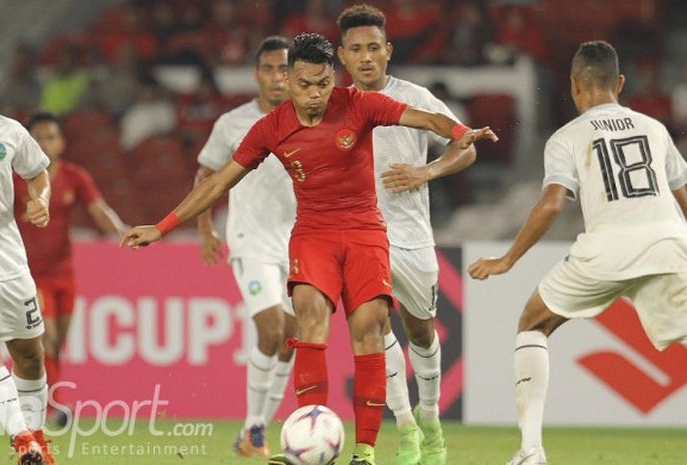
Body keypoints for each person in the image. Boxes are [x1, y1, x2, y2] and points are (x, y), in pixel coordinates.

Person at [122, 33, 496, 465]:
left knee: (369, 331)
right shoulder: (272, 127)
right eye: (305, 85)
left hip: (364, 232)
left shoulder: (359, 104)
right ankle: (309, 443)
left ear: (332, 76)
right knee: (309, 321)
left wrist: (461, 132)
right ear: (290, 80)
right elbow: (220, 180)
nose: (315, 94)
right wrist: (164, 226)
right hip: (314, 235)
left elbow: (426, 119)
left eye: (322, 83)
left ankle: (364, 452)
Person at [468, 40, 687, 465]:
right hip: (669, 242)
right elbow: (684, 195)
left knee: (533, 322)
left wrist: (508, 259)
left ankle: (531, 451)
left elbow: (552, 202)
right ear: (620, 83)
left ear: (573, 85)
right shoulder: (654, 128)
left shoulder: (567, 137)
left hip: (607, 248)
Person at [336, 5, 478, 465]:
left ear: (388, 50)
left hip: (412, 236)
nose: (366, 57)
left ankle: (431, 416)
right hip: (361, 238)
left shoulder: (415, 99)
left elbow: (465, 147)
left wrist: (426, 171)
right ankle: (408, 428)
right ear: (342, 56)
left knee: (420, 331)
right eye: (356, 49)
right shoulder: (334, 106)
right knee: (372, 329)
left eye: (373, 48)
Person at [195, 36, 297, 458]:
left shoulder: (310, 118)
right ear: (257, 74)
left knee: (294, 338)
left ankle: (255, 429)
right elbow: (205, 176)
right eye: (269, 69)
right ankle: (255, 427)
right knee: (271, 328)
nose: (277, 78)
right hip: (249, 240)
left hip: (298, 241)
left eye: (284, 70)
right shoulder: (233, 123)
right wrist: (204, 228)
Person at [14, 112, 127, 426]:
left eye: (50, 136)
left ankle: (38, 397)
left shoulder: (74, 176)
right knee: (45, 339)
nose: (44, 143)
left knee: (58, 343)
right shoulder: (14, 179)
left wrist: (121, 232)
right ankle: (57, 405)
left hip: (64, 272)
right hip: (28, 273)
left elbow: (99, 210)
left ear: (61, 142)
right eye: (37, 136)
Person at [0, 71, 57, 465]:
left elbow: (37, 173)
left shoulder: (8, 132)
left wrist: (41, 199)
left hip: (8, 256)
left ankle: (39, 443)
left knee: (30, 356)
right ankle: (23, 441)